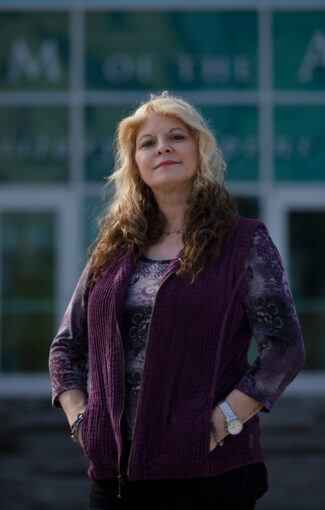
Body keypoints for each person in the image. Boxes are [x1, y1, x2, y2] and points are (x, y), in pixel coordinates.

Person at [48, 92, 305, 508]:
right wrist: (82, 420)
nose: (162, 147)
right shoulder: (112, 251)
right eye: (147, 143)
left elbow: (285, 348)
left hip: (211, 473)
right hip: (118, 475)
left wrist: (220, 425)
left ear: (200, 151)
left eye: (176, 137)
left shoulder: (243, 241)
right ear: (135, 164)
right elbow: (66, 346)